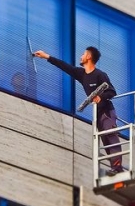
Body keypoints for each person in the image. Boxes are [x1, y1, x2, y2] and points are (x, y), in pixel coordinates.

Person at [33, 46, 123, 174]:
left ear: (89, 57)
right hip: (97, 115)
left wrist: (100, 97)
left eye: (83, 54)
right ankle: (115, 168)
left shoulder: (100, 74)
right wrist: (46, 56)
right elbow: (65, 66)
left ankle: (117, 167)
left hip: (107, 112)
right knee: (105, 140)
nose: (81, 56)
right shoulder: (82, 74)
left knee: (110, 136)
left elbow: (112, 91)